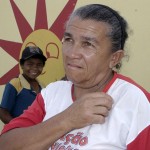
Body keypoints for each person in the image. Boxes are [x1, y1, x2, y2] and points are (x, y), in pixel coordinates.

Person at [0, 4, 150, 150]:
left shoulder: (135, 102)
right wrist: (67, 119)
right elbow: (6, 144)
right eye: (69, 40)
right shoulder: (52, 93)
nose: (71, 53)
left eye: (88, 44)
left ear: (114, 58)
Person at [0, 46, 47, 124]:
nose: (34, 68)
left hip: (36, 133)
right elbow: (3, 112)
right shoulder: (15, 84)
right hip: (17, 133)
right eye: (30, 64)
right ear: (22, 65)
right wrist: (18, 127)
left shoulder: (43, 87)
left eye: (39, 65)